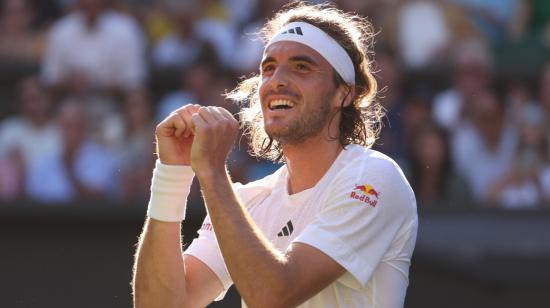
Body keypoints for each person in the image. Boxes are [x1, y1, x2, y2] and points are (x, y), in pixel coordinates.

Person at [133, 3, 417, 308]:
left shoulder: (373, 179)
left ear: (343, 94)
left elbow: (273, 296)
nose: (276, 81)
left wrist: (214, 172)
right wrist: (171, 174)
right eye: (268, 68)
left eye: (301, 67)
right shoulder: (249, 200)